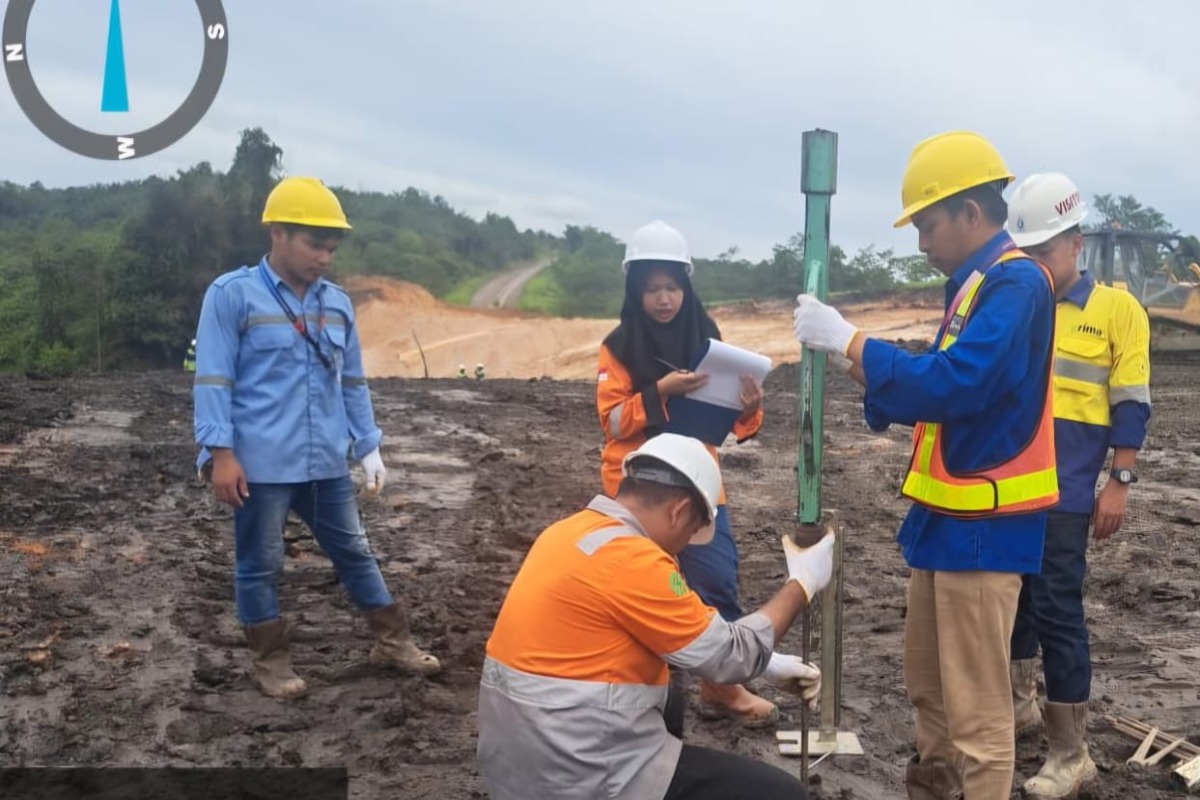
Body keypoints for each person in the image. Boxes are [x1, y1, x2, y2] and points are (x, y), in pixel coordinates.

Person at [792, 130, 1058, 800]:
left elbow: (958, 383)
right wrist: (854, 361)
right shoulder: (973, 286)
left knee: (976, 708)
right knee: (929, 689)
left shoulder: (1017, 283)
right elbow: (933, 391)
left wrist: (854, 339)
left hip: (987, 529)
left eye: (929, 224)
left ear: (972, 213)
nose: (921, 242)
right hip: (947, 521)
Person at [477, 432, 836, 800]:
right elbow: (731, 657)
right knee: (780, 793)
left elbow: (674, 632)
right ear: (679, 511)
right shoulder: (633, 559)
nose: (687, 543)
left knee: (669, 698)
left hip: (517, 758)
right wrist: (802, 583)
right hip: (576, 770)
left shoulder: (569, 533)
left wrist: (768, 663)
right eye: (694, 530)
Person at [192, 176, 440, 699]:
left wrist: (367, 444)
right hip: (259, 464)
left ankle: (393, 641)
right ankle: (271, 661)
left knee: (355, 550)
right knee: (261, 563)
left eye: (332, 247)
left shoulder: (339, 305)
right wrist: (221, 454)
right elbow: (215, 379)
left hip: (325, 460)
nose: (325, 257)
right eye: (314, 244)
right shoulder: (231, 295)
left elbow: (351, 380)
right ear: (277, 233)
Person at [1005, 173, 1151, 798]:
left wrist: (1118, 481)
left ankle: (1071, 754)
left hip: (1065, 491)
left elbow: (1132, 403)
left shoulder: (1118, 311)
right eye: (1027, 254)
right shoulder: (1017, 303)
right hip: (1009, 486)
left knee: (1058, 610)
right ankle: (1017, 707)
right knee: (1013, 602)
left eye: (1045, 252)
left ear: (1076, 244)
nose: (1037, 265)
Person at [596, 219, 774, 725]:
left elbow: (734, 422)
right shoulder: (619, 345)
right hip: (636, 491)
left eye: (672, 286)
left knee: (716, 583)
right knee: (636, 593)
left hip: (698, 484)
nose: (663, 298)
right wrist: (662, 393)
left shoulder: (708, 339)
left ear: (686, 287)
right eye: (652, 289)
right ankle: (636, 696)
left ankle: (722, 689)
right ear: (636, 291)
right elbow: (612, 420)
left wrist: (749, 406)